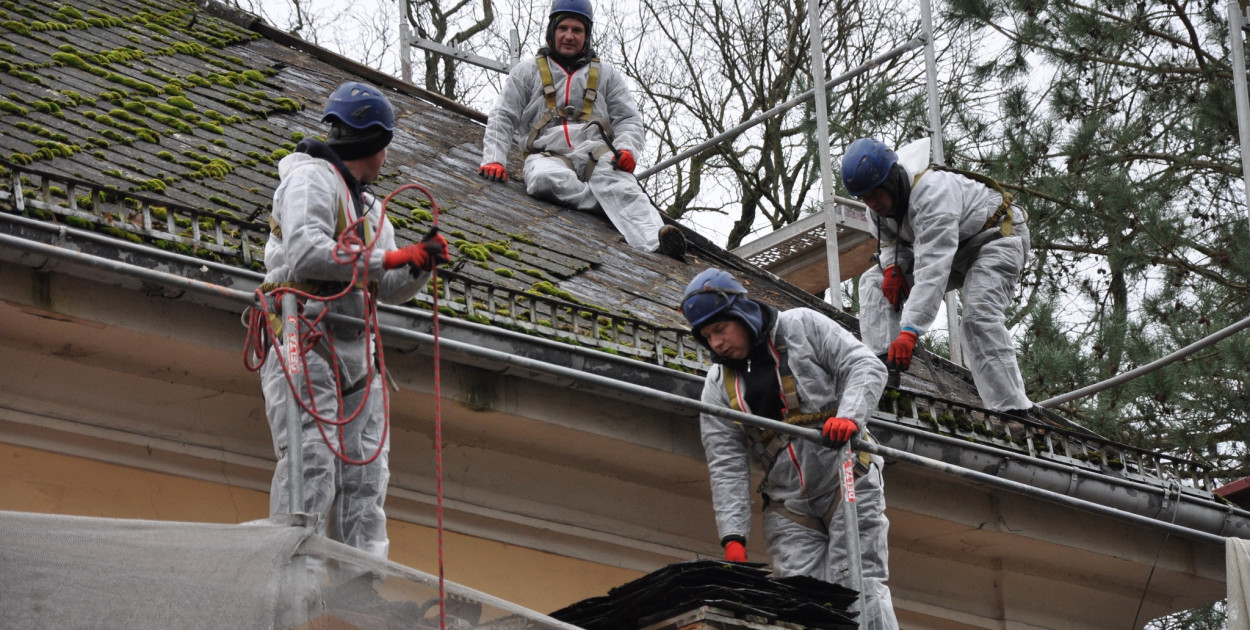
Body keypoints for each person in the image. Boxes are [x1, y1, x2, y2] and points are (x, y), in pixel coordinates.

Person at [258, 81, 449, 559]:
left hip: (355, 350)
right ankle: (292, 579)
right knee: (311, 463)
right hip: (305, 335)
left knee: (366, 475)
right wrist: (389, 260)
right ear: (378, 144)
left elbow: (385, 286)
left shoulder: (370, 208)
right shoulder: (310, 180)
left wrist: (417, 265)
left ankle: (361, 592)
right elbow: (305, 254)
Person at [681, 268, 898, 630]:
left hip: (846, 477)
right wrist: (733, 536)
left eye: (720, 329)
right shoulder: (718, 387)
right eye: (707, 336)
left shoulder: (803, 326)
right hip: (788, 503)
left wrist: (850, 417)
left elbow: (863, 364)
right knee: (799, 603)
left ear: (741, 313)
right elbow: (726, 464)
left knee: (858, 585)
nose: (716, 343)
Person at [476, 0, 687, 261]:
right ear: (552, 31)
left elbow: (629, 120)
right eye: (563, 27)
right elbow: (503, 115)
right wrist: (494, 158)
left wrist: (627, 149)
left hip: (596, 155)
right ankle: (607, 204)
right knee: (543, 181)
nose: (569, 36)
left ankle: (658, 242)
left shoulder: (607, 75)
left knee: (625, 187)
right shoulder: (527, 71)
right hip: (547, 155)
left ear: (586, 35)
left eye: (577, 30)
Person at [842, 137, 1032, 413]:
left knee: (978, 315)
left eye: (874, 194)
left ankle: (1013, 410)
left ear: (892, 181)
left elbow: (932, 270)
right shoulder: (877, 211)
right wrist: (893, 267)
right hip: (955, 250)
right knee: (874, 281)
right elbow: (889, 242)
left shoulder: (933, 195)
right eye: (864, 198)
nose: (871, 203)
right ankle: (883, 369)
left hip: (994, 239)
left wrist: (910, 331)